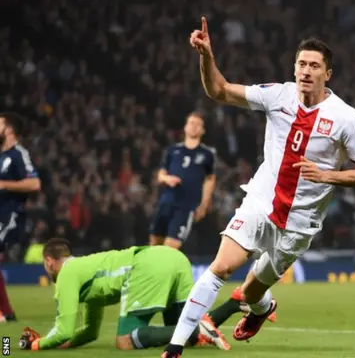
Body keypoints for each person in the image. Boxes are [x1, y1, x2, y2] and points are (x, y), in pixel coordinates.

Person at [162, 17, 355, 358]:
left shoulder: (347, 117)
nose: (306, 71)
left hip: (299, 222)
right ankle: (175, 347)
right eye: (302, 64)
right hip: (261, 201)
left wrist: (327, 175)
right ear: (294, 68)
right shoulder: (278, 95)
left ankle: (262, 307)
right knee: (222, 267)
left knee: (249, 292)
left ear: (327, 74)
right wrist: (206, 55)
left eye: (314, 66)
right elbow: (219, 90)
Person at [18, 238, 231, 351]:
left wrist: (38, 344)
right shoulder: (85, 271)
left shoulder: (66, 274)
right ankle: (235, 303)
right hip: (174, 258)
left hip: (145, 266)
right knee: (184, 338)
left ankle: (198, 327)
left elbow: (63, 330)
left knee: (124, 342)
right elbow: (91, 331)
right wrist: (63, 344)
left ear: (49, 261)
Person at [149, 112, 217, 249]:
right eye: (191, 123)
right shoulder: (172, 150)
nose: (194, 126)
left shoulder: (206, 154)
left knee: (171, 246)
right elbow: (161, 174)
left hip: (187, 206)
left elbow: (210, 180)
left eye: (198, 124)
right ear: (185, 127)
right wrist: (167, 179)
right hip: (167, 202)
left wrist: (203, 205)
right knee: (155, 243)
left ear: (203, 131)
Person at [0, 112, 41, 323]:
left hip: (10, 215)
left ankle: (5, 313)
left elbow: (34, 183)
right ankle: (6, 313)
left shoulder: (18, 154)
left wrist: (5, 184)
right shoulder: (0, 155)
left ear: (9, 129)